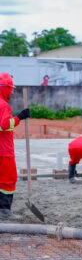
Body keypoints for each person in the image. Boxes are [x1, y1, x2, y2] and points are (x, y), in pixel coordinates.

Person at [0, 73, 30, 219]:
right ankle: (5, 211)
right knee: (8, 179)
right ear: (4, 88)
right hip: (4, 150)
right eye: (10, 89)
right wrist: (20, 117)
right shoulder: (3, 105)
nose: (12, 92)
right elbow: (4, 125)